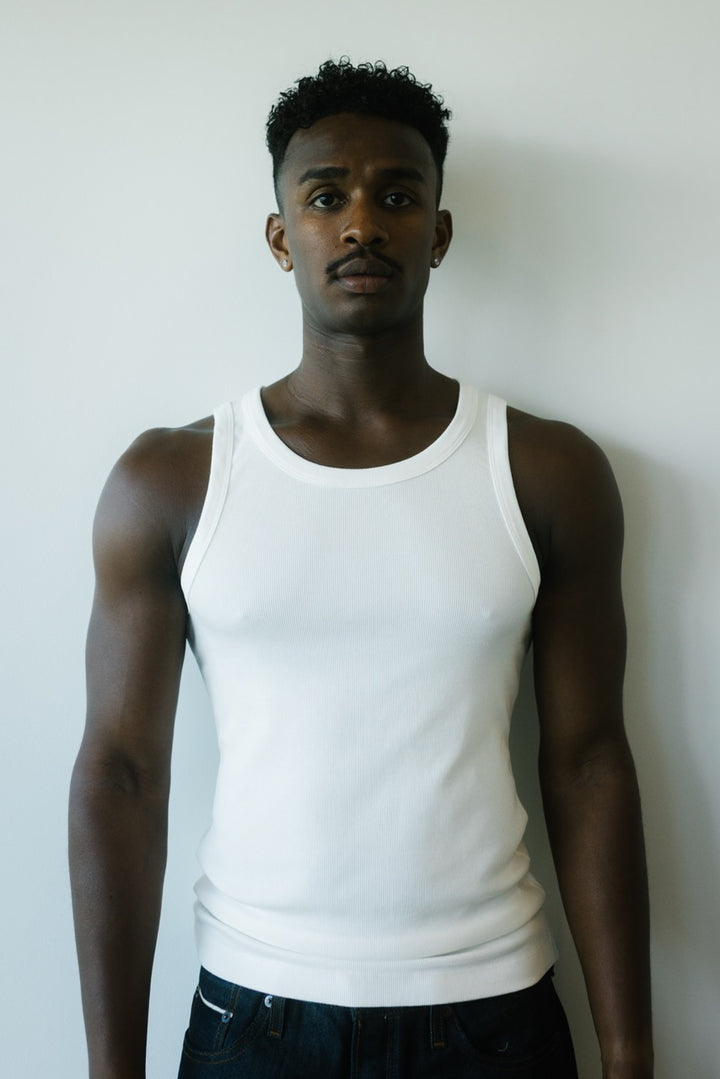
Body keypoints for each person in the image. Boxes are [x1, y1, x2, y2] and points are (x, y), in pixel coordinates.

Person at [69, 59, 653, 1079]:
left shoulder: (544, 470)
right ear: (279, 235)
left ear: (439, 232)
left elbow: (590, 761)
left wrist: (631, 1050)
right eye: (326, 196)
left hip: (493, 1017)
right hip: (252, 1020)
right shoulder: (173, 479)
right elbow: (121, 771)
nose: (360, 226)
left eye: (397, 195)